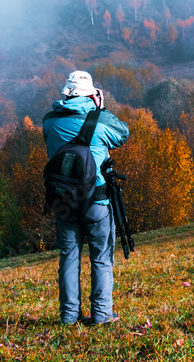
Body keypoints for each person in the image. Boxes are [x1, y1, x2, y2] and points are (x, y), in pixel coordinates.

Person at [42, 70, 130, 325]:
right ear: (92, 94)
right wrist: (101, 108)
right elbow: (123, 134)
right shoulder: (100, 121)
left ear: (67, 94)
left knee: (68, 256)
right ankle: (102, 314)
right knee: (101, 257)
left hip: (63, 201)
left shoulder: (49, 121)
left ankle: (69, 316)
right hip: (97, 200)